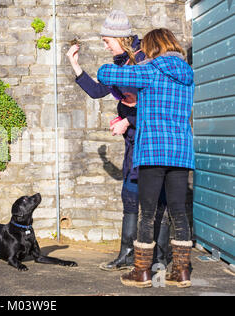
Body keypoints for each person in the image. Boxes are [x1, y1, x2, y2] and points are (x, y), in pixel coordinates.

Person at [66, 10, 170, 272]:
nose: (105, 45)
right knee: (129, 196)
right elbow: (97, 90)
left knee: (157, 199)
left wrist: (129, 120)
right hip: (133, 142)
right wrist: (74, 64)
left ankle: (160, 256)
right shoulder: (119, 64)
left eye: (107, 40)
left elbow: (157, 101)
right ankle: (125, 253)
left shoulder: (144, 60)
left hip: (153, 141)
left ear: (121, 38)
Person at [97, 28, 194, 288]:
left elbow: (105, 74)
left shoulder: (150, 70)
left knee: (148, 213)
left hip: (152, 151)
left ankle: (142, 273)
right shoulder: (188, 73)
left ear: (152, 47)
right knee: (178, 213)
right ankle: (182, 272)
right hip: (182, 153)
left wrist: (137, 62)